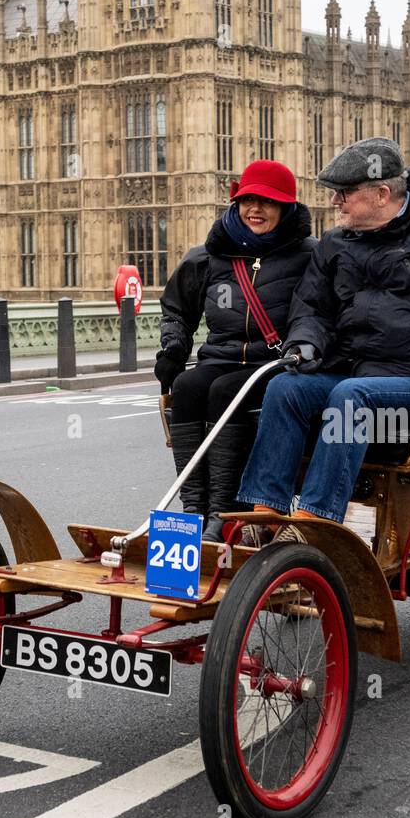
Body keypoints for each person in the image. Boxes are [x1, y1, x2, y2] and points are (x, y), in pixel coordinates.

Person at [236, 137, 410, 527]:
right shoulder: (335, 242)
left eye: (344, 193)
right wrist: (306, 342)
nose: (335, 202)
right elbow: (312, 307)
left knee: (352, 397)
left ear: (382, 193)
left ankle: (316, 522)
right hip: (352, 373)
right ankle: (262, 516)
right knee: (286, 388)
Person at [154, 159, 316, 541]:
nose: (255, 210)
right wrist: (174, 346)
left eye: (267, 202)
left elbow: (318, 311)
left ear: (286, 208)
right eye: (248, 201)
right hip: (223, 355)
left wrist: (304, 345)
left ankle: (223, 512)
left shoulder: (309, 256)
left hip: (277, 362)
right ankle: (193, 510)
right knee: (190, 386)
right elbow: (177, 309)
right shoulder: (208, 255)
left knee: (225, 391)